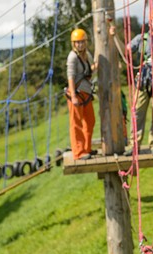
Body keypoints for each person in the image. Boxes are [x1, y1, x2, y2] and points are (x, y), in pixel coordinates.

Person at [110, 7, 153, 156]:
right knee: (138, 113)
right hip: (143, 81)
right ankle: (135, 145)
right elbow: (126, 51)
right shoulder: (141, 39)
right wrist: (115, 37)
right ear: (149, 23)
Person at [66, 28, 97, 160]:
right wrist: (73, 96)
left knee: (90, 121)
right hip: (76, 93)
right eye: (77, 42)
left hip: (86, 93)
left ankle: (87, 148)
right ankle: (79, 152)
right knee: (76, 123)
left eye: (82, 42)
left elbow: (89, 70)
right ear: (74, 44)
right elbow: (71, 76)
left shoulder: (86, 55)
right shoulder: (72, 57)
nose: (80, 45)